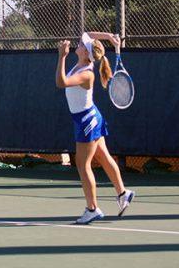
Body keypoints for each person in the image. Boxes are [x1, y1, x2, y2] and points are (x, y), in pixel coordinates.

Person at [56, 32, 135, 224]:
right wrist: (108, 36)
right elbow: (87, 34)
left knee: (83, 165)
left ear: (86, 54)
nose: (80, 44)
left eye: (83, 45)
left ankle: (92, 209)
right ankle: (123, 193)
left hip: (87, 121)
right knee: (103, 156)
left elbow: (61, 83)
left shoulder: (87, 74)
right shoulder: (83, 63)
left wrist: (61, 56)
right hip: (92, 116)